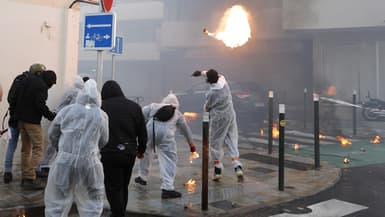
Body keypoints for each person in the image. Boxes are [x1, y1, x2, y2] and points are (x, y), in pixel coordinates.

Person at [44, 79, 109, 217]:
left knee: (57, 199)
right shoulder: (101, 115)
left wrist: (60, 149)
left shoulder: (67, 111)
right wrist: (92, 150)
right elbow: (104, 140)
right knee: (92, 199)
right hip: (90, 163)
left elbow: (53, 133)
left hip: (64, 161)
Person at [134, 93, 197, 199]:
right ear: (176, 105)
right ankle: (167, 188)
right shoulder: (177, 113)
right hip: (166, 135)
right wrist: (191, 144)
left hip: (150, 129)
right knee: (169, 160)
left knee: (146, 151)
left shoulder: (154, 106)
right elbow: (185, 130)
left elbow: (140, 114)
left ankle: (142, 177)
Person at [100, 80, 147, 217]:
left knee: (113, 186)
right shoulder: (134, 107)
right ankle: (119, 212)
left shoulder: (102, 107)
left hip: (109, 152)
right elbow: (142, 132)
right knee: (123, 186)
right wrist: (141, 150)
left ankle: (118, 214)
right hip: (129, 153)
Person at [192, 69, 244, 181]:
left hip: (218, 119)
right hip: (230, 115)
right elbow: (215, 74)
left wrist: (205, 109)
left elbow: (207, 107)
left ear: (209, 81)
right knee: (232, 138)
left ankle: (217, 169)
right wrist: (201, 72)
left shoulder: (212, 93)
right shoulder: (223, 80)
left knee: (215, 143)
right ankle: (237, 165)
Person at [3, 63, 46, 184]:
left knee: (12, 145)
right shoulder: (32, 83)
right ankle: (33, 171)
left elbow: (10, 98)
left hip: (13, 119)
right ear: (38, 73)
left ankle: (7, 172)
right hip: (25, 119)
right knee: (28, 147)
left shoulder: (18, 79)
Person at [14, 69, 57, 189]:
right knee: (39, 148)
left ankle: (25, 178)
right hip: (32, 121)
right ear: (50, 81)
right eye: (52, 84)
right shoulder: (41, 86)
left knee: (26, 149)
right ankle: (29, 176)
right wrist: (51, 116)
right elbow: (40, 105)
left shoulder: (28, 80)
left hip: (21, 120)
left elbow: (17, 97)